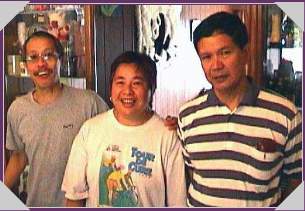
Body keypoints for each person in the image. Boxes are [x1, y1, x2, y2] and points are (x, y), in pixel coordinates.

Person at [177, 12, 302, 207]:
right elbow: (190, 174)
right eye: (207, 57)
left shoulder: (286, 114)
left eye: (225, 52)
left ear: (245, 53)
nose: (216, 65)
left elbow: (296, 182)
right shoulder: (187, 116)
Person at [61, 51, 186, 207]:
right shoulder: (90, 130)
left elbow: (177, 203)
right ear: (111, 87)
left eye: (137, 83)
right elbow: (74, 197)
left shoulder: (167, 136)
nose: (127, 91)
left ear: (151, 89)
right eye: (120, 82)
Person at [4, 31, 109, 207]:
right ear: (25, 65)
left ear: (60, 59)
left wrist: (168, 128)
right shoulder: (17, 109)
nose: (41, 64)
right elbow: (19, 156)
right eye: (33, 57)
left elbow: (119, 136)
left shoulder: (89, 102)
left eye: (48, 55)